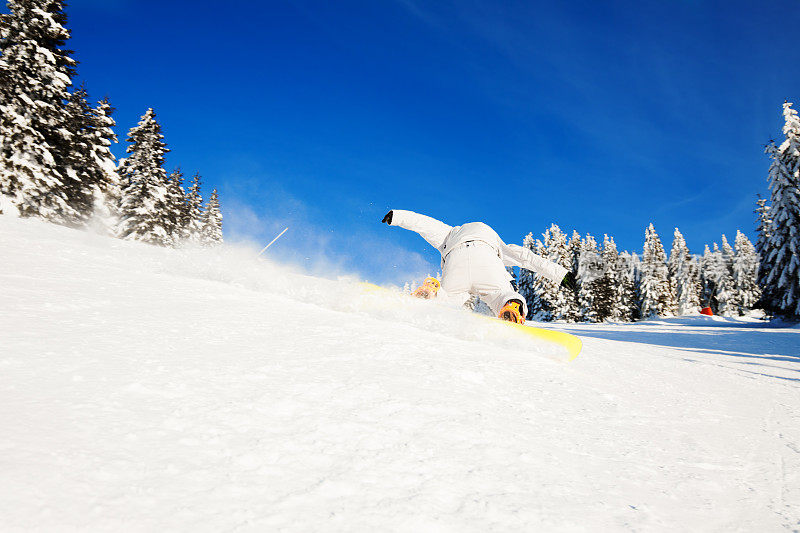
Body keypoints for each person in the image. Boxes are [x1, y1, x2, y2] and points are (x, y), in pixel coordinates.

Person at [382, 209, 576, 323]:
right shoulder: (497, 244)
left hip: (455, 261)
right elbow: (528, 258)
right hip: (487, 260)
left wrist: (397, 216)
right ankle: (511, 306)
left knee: (446, 300)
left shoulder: (449, 233)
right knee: (501, 293)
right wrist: (562, 275)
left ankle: (433, 290)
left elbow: (425, 224)